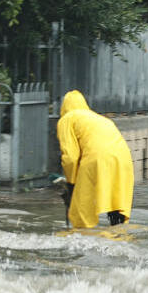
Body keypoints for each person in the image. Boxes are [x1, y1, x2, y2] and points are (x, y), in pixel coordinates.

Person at [57, 90, 134, 228]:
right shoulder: (99, 118)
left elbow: (70, 157)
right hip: (124, 159)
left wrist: (71, 184)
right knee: (116, 205)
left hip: (98, 158)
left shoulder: (67, 119)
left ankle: (83, 242)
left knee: (81, 210)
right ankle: (119, 238)